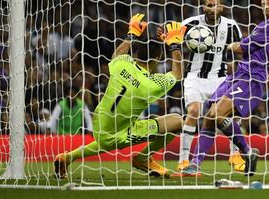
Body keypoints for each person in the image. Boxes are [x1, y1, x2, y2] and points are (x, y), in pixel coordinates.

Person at [54, 14, 186, 179]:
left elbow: (117, 53)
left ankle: (67, 157)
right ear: (158, 59)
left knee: (108, 136)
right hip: (121, 131)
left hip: (100, 122)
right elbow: (178, 74)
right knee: (177, 121)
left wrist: (131, 35)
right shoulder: (151, 85)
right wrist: (175, 46)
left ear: (136, 53)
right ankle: (143, 158)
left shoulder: (121, 63)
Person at [176, 0, 269, 176]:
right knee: (210, 116)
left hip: (249, 79)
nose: (264, 2)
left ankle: (247, 151)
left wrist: (230, 46)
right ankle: (195, 164)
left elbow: (240, 49)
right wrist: (264, 86)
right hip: (239, 76)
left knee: (218, 114)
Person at [168, 0, 245, 172]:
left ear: (222, 7)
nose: (212, 9)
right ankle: (184, 160)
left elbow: (242, 49)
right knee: (194, 111)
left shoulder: (231, 26)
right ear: (203, 7)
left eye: (215, 5)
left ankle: (235, 155)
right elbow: (171, 35)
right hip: (194, 77)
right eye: (209, 5)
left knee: (233, 113)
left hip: (219, 78)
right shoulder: (191, 23)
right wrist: (165, 35)